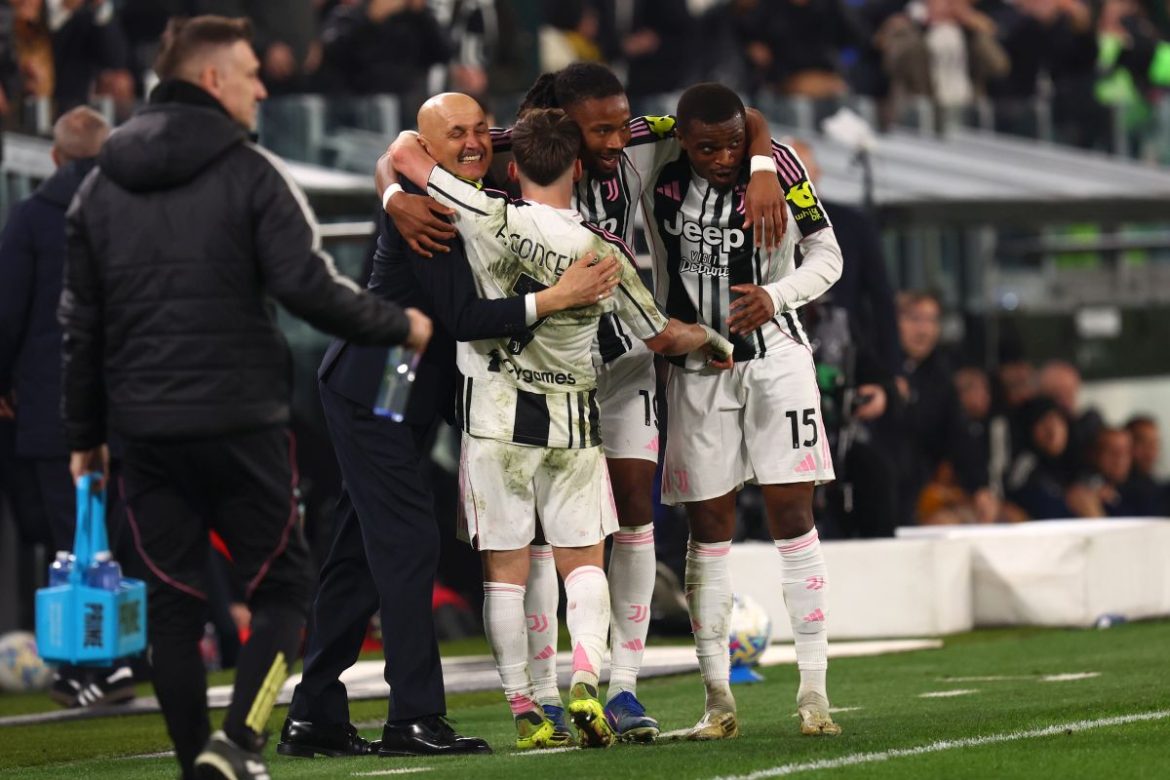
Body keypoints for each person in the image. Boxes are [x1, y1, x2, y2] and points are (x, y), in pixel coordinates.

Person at [60, 17, 429, 780]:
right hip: (241, 422)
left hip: (144, 431)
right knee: (285, 588)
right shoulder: (253, 171)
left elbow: (80, 328)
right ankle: (238, 743)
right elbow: (308, 287)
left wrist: (85, 435)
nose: (263, 88)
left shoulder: (98, 187)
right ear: (212, 79)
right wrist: (401, 324)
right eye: (252, 72)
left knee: (172, 601)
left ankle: (198, 761)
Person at [375, 61, 788, 744]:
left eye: (620, 126)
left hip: (590, 374)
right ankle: (555, 689)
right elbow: (403, 148)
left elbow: (735, 116)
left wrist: (765, 165)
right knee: (562, 545)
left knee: (617, 521)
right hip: (569, 385)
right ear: (565, 135)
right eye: (599, 131)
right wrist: (395, 196)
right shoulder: (532, 175)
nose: (617, 141)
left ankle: (608, 690)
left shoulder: (598, 154)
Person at [278, 106, 619, 759]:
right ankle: (413, 717)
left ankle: (314, 713)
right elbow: (463, 317)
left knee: (358, 553)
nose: (473, 143)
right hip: (374, 388)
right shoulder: (429, 208)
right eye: (455, 135)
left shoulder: (465, 191)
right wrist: (558, 297)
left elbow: (403, 149)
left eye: (479, 130)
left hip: (400, 393)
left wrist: (389, 184)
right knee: (408, 543)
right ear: (428, 149)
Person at [639, 82, 845, 739]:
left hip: (778, 358)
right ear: (682, 139)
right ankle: (717, 701)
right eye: (707, 147)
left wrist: (776, 296)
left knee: (793, 513)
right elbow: (598, 132)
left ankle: (815, 694)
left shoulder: (779, 163)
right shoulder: (652, 157)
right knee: (708, 527)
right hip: (697, 369)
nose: (723, 157)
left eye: (732, 144)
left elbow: (828, 255)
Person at [0, 106, 140, 708]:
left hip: (50, 404)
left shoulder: (31, 218)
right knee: (119, 537)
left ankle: (90, 666)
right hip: (127, 405)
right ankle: (117, 659)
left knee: (70, 540)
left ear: (56, 157)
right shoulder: (131, 211)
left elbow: (7, 311)